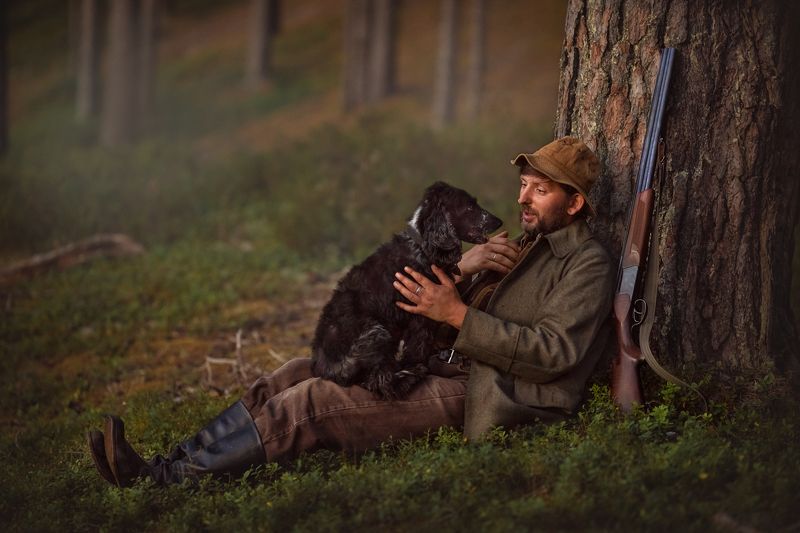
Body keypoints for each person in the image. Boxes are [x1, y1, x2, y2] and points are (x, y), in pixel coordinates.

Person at [88, 136, 614, 487]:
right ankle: (169, 461)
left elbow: (555, 354)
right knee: (293, 373)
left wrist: (456, 315)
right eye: (524, 185)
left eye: (540, 191)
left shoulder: (586, 263)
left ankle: (161, 483)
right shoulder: (526, 245)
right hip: (444, 362)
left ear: (573, 205)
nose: (523, 199)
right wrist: (465, 269)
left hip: (488, 389)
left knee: (316, 401)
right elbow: (448, 302)